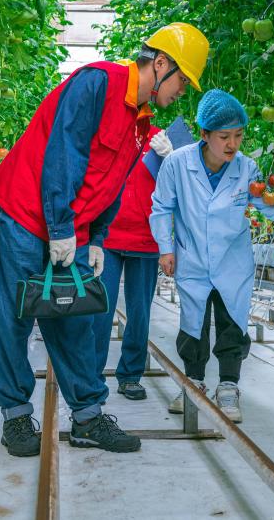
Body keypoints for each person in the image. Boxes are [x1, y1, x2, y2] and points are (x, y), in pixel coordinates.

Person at [0, 23, 210, 456]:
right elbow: (62, 154)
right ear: (161, 64)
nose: (183, 91)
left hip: (71, 226)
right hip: (24, 213)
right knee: (16, 314)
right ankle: (15, 416)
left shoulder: (140, 121)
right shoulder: (98, 83)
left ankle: (87, 417)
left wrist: (96, 237)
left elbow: (114, 181)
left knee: (77, 318)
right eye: (183, 80)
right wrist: (61, 227)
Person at [149, 89, 274, 423]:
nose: (232, 144)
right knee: (192, 325)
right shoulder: (177, 164)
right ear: (204, 134)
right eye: (224, 137)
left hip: (232, 262)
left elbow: (271, 204)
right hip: (191, 258)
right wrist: (165, 249)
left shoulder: (246, 168)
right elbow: (161, 207)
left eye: (238, 136)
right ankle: (193, 383)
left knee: (232, 324)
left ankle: (228, 386)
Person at [90, 123, 177, 401]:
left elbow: (178, 186)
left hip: (146, 237)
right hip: (108, 236)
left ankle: (130, 375)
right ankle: (92, 375)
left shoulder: (158, 137)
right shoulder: (106, 132)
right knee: (100, 310)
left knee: (139, 312)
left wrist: (170, 158)